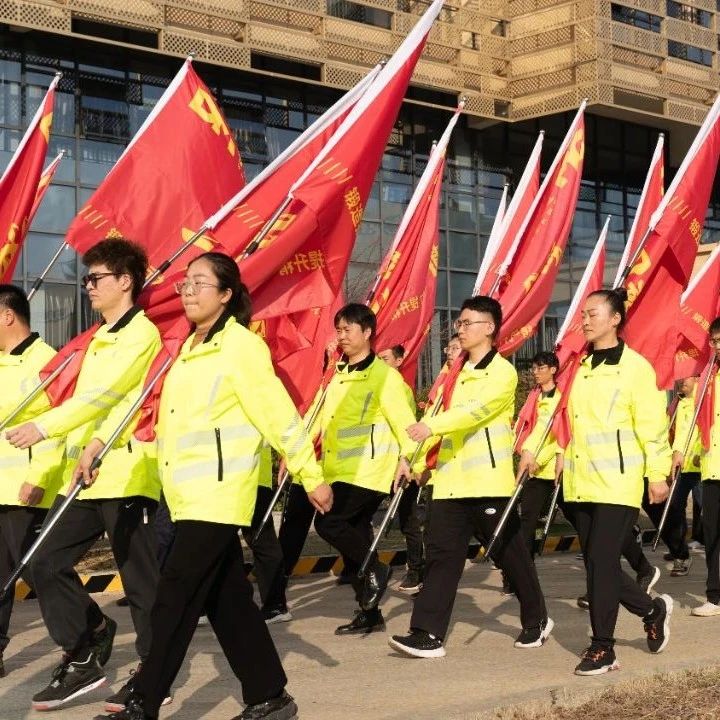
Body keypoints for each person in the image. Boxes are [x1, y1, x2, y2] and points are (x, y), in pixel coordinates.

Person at [93, 251, 332, 720]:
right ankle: (269, 695)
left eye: (200, 282)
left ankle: (143, 703)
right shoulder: (187, 348)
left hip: (220, 495)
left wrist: (310, 473)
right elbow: (175, 426)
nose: (188, 291)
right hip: (185, 496)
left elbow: (277, 414)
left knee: (175, 595)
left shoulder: (241, 346)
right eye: (185, 282)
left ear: (226, 295)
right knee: (228, 600)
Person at [6, 239, 163, 711]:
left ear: (125, 281)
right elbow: (89, 403)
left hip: (127, 469)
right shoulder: (99, 336)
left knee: (140, 582)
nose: (87, 285)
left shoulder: (141, 335)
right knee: (43, 561)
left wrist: (43, 427)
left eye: (96, 278)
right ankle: (83, 650)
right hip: (87, 473)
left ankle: (153, 674)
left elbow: (106, 398)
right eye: (86, 277)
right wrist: (76, 452)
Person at [389, 296, 553, 658]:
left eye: (467, 323)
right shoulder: (453, 374)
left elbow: (473, 412)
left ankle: (537, 619)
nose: (460, 329)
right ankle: (427, 633)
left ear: (489, 328)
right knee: (441, 557)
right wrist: (410, 459)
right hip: (450, 482)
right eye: (458, 323)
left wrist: (430, 426)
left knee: (511, 556)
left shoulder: (503, 373)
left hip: (487, 483)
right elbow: (431, 414)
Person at [522, 288, 673, 675]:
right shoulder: (577, 367)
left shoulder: (636, 368)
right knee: (597, 564)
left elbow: (653, 427)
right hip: (579, 482)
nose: (585, 320)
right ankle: (651, 610)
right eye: (583, 315)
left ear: (615, 319)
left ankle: (602, 647)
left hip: (619, 483)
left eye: (593, 314)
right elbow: (557, 419)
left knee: (602, 562)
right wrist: (533, 450)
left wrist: (657, 474)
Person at [312, 303, 416, 635]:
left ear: (367, 332)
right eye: (338, 330)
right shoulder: (338, 375)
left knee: (328, 522)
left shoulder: (385, 377)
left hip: (370, 470)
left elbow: (406, 423)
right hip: (339, 470)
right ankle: (369, 611)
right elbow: (321, 419)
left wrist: (407, 458)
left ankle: (377, 569)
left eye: (348, 329)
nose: (341, 336)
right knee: (354, 538)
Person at [0, 285, 65, 679]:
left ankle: (88, 630)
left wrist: (39, 476)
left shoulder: (47, 362)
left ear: (8, 315)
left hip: (25, 489)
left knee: (38, 571)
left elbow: (57, 425)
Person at [674, 319, 720, 617]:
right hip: (713, 468)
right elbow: (692, 421)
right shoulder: (706, 380)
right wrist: (679, 450)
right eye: (714, 341)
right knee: (713, 534)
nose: (717, 345)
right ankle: (715, 597)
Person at [378, 344, 424, 593]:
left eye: (385, 358)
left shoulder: (398, 388)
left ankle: (416, 569)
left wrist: (407, 460)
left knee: (408, 520)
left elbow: (405, 428)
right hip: (381, 464)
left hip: (402, 464)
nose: (381, 363)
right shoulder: (379, 385)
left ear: (398, 361)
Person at [518, 351, 561, 559]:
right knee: (527, 516)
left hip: (554, 468)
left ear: (553, 370)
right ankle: (524, 566)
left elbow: (559, 436)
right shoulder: (533, 397)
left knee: (580, 517)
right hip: (534, 470)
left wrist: (539, 459)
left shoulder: (560, 398)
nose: (535, 372)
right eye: (534, 368)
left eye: (540, 368)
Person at [665, 376, 702, 577]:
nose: (681, 381)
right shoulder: (679, 402)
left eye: (686, 377)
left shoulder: (704, 398)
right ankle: (680, 553)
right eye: (678, 378)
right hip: (683, 467)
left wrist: (700, 453)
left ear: (697, 378)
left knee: (708, 512)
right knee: (675, 508)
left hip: (701, 467)